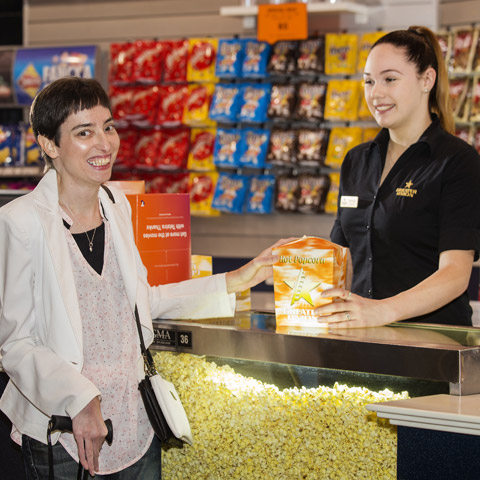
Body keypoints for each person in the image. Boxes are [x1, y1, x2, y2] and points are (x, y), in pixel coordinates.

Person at [0, 76, 288, 479]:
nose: (104, 143)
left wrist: (234, 280)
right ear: (49, 144)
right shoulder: (20, 222)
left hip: (134, 422)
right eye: (84, 132)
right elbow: (16, 343)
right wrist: (80, 400)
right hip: (64, 428)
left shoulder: (118, 206)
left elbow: (137, 303)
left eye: (108, 126)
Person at [317, 26, 480, 328]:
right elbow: (344, 259)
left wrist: (382, 311)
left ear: (426, 80)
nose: (376, 93)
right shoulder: (356, 160)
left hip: (433, 346)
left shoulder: (458, 162)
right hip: (363, 342)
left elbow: (455, 274)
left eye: (390, 80)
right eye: (368, 82)